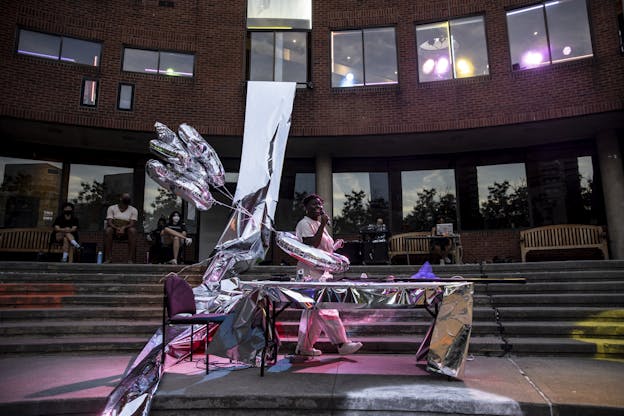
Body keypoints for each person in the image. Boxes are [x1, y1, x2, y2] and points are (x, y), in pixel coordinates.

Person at [294, 193, 363, 357]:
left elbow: (324, 250)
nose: (318, 207)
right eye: (314, 205)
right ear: (306, 208)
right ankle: (342, 343)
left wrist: (335, 246)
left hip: (323, 272)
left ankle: (304, 347)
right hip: (310, 273)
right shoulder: (304, 224)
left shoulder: (320, 225)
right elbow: (311, 246)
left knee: (313, 312)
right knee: (326, 307)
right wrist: (322, 224)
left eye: (319, 205)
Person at [104, 193, 138, 263]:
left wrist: (123, 228)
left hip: (126, 232)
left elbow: (132, 223)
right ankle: (108, 258)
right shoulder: (112, 208)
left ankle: (130, 259)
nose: (127, 199)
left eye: (128, 198)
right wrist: (117, 228)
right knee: (108, 230)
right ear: (120, 198)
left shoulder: (133, 210)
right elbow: (109, 222)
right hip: (114, 230)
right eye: (125, 197)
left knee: (133, 231)